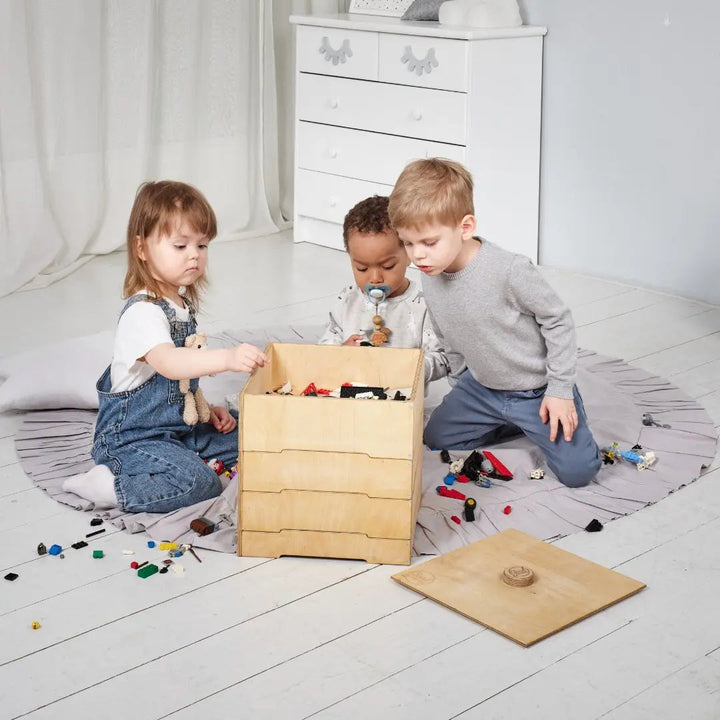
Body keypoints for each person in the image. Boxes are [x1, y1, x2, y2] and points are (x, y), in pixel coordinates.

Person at [388, 159, 601, 487]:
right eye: (408, 243)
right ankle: (514, 422)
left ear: (465, 227)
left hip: (535, 390)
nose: (417, 256)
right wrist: (460, 383)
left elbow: (557, 319)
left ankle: (550, 410)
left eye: (429, 242)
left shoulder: (509, 270)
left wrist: (558, 390)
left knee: (579, 472)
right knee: (436, 437)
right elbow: (448, 331)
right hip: (482, 388)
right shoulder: (430, 272)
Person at [63, 180, 267, 512]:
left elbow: (181, 383)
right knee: (198, 484)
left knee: (250, 438)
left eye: (202, 246)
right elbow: (171, 363)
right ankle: (108, 486)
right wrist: (227, 358)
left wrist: (206, 409)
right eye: (180, 246)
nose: (194, 256)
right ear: (142, 249)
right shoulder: (143, 313)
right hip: (133, 439)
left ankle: (197, 453)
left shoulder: (180, 305)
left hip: (178, 430)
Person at [318, 195, 450, 383]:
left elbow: (443, 359)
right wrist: (340, 353)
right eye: (362, 268)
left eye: (387, 267)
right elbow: (324, 345)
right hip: (349, 392)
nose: (375, 279)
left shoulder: (423, 307)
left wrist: (411, 367)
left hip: (400, 397)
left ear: (408, 253)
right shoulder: (347, 299)